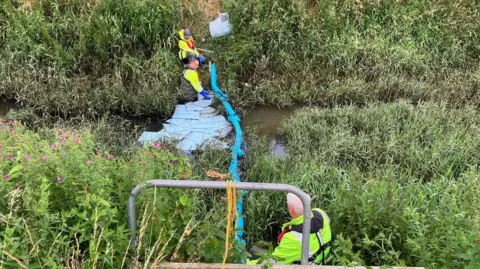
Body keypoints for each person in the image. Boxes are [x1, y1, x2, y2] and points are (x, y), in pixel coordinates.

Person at [247, 193, 333, 265]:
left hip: (301, 265)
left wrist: (243, 263)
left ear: (291, 209)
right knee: (254, 251)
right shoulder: (320, 213)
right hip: (320, 261)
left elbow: (273, 263)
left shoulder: (293, 238)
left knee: (253, 251)